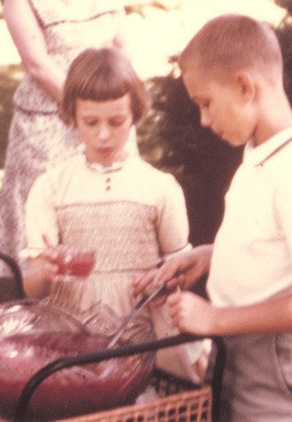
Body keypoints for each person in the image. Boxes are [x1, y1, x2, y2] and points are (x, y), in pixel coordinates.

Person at [135, 14, 292, 421]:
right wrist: (211, 255)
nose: (203, 120)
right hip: (247, 354)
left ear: (245, 86)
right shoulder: (262, 152)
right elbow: (268, 240)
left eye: (206, 103)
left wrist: (215, 318)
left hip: (286, 368)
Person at [21, 47, 209, 383]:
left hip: (140, 337)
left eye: (116, 121)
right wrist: (45, 269)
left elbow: (179, 269)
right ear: (71, 116)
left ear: (135, 115)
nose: (103, 134)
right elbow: (32, 286)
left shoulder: (159, 188)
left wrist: (164, 280)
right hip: (72, 339)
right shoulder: (51, 188)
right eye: (90, 122)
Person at [0, 0, 128, 277]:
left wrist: (119, 105)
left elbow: (121, 40)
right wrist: (86, 109)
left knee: (109, 216)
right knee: (49, 224)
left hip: (108, 116)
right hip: (50, 123)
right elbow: (36, 63)